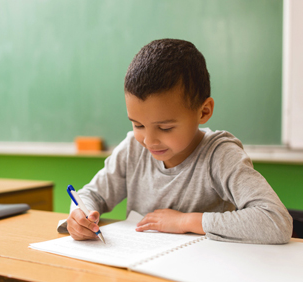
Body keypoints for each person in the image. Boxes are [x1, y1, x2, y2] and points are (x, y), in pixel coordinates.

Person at [64, 39, 292, 244]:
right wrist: (79, 215)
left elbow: (276, 221)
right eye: (138, 125)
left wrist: (186, 222)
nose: (149, 141)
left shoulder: (220, 155)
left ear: (203, 112)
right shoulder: (133, 149)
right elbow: (90, 195)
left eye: (165, 127)